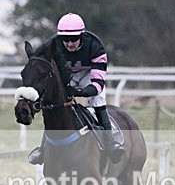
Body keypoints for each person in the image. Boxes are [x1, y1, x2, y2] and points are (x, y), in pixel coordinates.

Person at [28, 12, 126, 165]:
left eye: (73, 39)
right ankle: (43, 148)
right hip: (67, 76)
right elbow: (37, 59)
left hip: (89, 75)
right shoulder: (53, 44)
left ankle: (111, 142)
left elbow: (97, 85)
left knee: (98, 99)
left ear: (82, 35)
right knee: (54, 105)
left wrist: (79, 92)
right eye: (65, 39)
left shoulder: (95, 46)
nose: (69, 43)